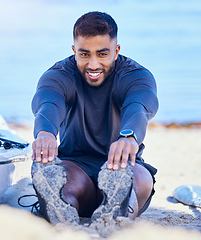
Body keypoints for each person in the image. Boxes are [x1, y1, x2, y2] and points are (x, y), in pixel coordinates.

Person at [30, 11, 158, 224]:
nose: (93, 65)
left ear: (116, 51)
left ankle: (118, 213)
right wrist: (45, 132)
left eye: (102, 54)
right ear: (74, 51)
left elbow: (139, 107)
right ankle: (60, 209)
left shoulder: (135, 76)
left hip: (123, 164)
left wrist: (128, 137)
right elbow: (48, 103)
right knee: (64, 184)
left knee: (139, 179)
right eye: (84, 54)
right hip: (75, 165)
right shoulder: (59, 75)